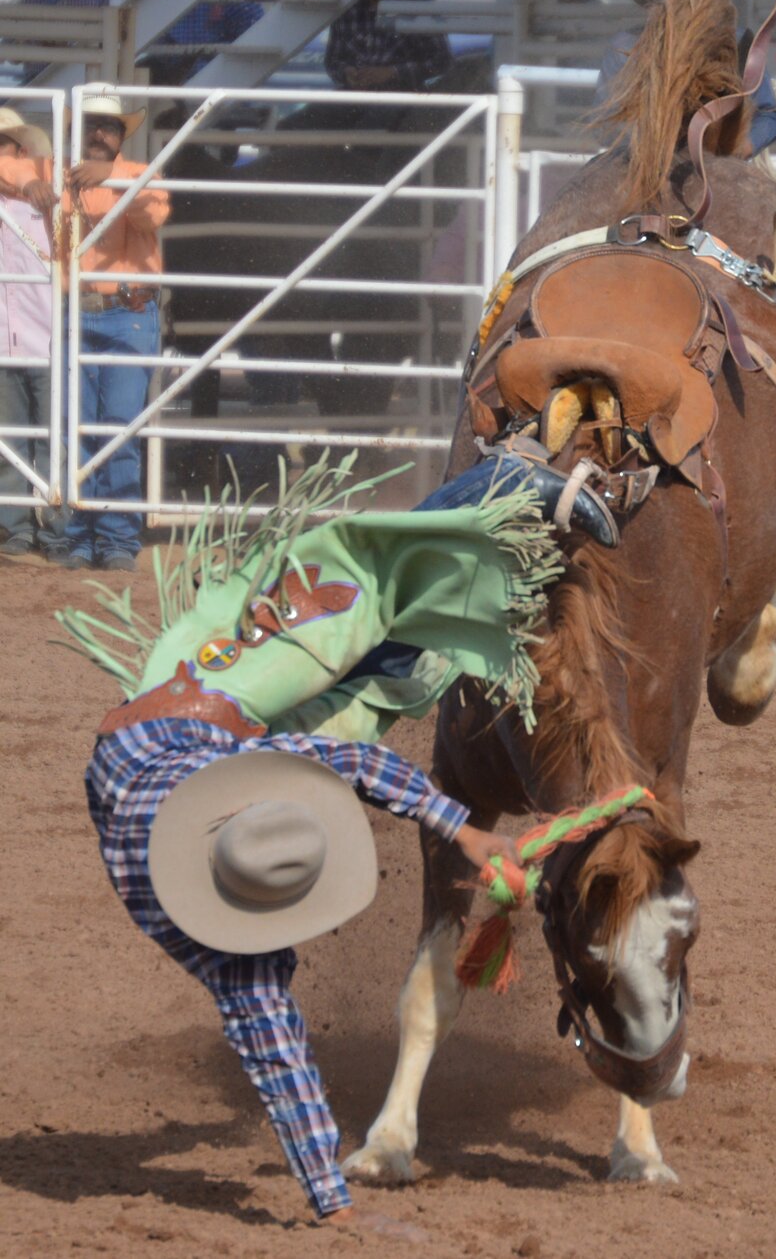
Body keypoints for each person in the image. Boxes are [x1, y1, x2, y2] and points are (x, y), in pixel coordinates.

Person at [65, 449, 615, 1236]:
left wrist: (461, 829)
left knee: (354, 594)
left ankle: (502, 482)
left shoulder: (227, 900)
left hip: (202, 702)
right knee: (391, 671)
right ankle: (478, 573)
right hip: (182, 768)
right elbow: (276, 1050)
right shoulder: (231, 951)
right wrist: (334, 1201)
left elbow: (343, 764)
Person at [0, 86, 170, 571]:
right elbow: (5, 166)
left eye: (110, 125)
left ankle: (115, 537)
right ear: (74, 130)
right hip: (75, 312)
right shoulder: (52, 171)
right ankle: (78, 534)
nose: (99, 132)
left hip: (126, 311)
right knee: (75, 431)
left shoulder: (138, 174)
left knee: (115, 428)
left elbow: (153, 209)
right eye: (92, 123)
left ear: (120, 137)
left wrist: (111, 177)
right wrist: (28, 182)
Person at [595, 0, 776, 154]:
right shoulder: (624, 47)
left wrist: (744, 146)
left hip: (717, 159)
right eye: (663, 0)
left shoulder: (737, 45)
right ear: (651, 6)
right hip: (642, 158)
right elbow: (606, 120)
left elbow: (767, 113)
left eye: (680, 2)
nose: (671, 9)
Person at [0, 108, 69, 562]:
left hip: (46, 335)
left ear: (21, 151)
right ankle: (16, 526)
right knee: (11, 439)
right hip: (7, 339)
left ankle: (54, 527)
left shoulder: (52, 200)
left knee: (51, 435)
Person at [324, 0, 454, 98]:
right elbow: (333, 61)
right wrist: (347, 73)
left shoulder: (418, 2)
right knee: (308, 118)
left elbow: (442, 61)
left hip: (402, 99)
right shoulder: (346, 5)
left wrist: (392, 72)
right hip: (353, 96)